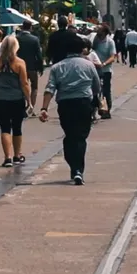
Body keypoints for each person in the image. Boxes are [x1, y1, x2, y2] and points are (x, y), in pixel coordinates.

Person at [39, 34, 101, 185]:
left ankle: (74, 167)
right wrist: (97, 102)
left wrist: (44, 108)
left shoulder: (57, 67)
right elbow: (97, 86)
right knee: (81, 137)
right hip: (84, 103)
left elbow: (50, 88)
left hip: (65, 104)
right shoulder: (89, 65)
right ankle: (78, 169)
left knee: (70, 136)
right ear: (81, 49)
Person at [0, 36, 30, 167]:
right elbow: (24, 83)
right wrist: (29, 99)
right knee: (17, 128)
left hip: (0, 98)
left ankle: (7, 157)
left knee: (5, 128)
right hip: (16, 99)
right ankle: (17, 156)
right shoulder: (19, 63)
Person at [16, 21, 44, 117]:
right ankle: (31, 107)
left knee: (22, 87)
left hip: (19, 67)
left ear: (22, 27)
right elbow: (39, 55)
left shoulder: (17, 38)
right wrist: (41, 67)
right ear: (30, 28)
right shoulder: (35, 39)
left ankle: (22, 108)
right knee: (34, 87)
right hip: (32, 67)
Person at [92, 24, 116, 118]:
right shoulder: (95, 40)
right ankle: (94, 110)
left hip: (106, 70)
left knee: (105, 91)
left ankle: (106, 110)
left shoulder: (110, 42)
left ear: (105, 33)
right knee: (95, 90)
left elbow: (113, 57)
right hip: (95, 70)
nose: (98, 34)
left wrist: (104, 63)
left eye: (100, 33)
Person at [82, 37, 102, 122]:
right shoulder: (79, 55)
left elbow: (99, 64)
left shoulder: (92, 54)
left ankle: (94, 113)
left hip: (92, 78)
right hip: (83, 78)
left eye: (84, 47)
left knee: (94, 96)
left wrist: (89, 61)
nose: (83, 49)